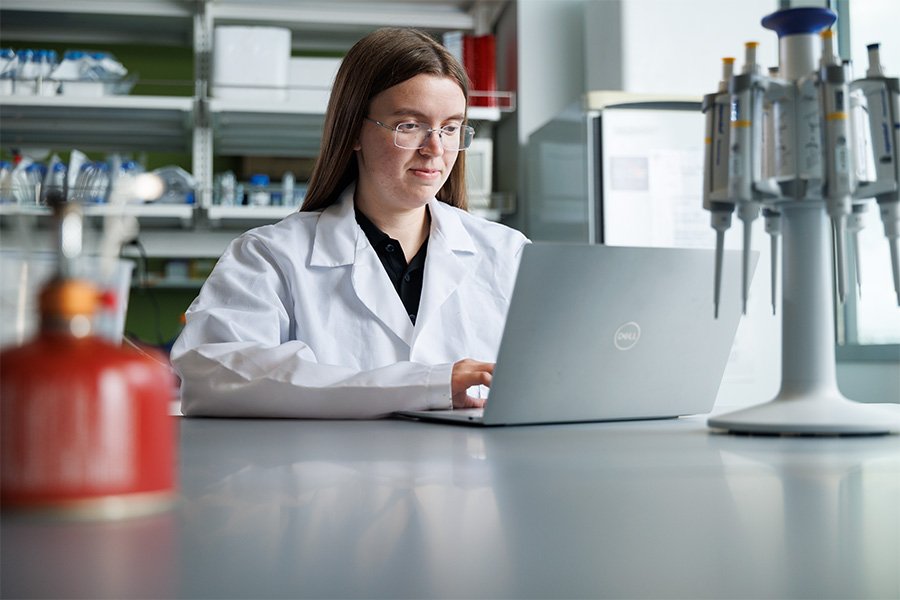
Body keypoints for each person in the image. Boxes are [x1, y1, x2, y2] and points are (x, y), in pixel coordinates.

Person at [170, 28, 529, 418]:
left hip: (472, 478)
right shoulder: (269, 256)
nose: (436, 149)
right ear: (354, 131)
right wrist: (424, 384)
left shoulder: (509, 255)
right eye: (409, 126)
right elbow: (214, 374)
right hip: (329, 478)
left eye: (450, 127)